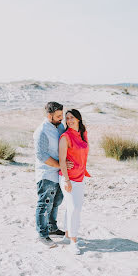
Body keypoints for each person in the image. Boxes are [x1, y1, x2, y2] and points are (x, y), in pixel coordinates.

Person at [33, 102, 73, 248]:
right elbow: (41, 155)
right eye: (58, 116)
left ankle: (52, 227)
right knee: (45, 204)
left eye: (61, 115)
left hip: (59, 174)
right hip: (46, 174)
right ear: (49, 115)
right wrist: (60, 165)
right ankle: (42, 234)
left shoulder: (59, 126)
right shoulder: (41, 131)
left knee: (57, 201)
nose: (61, 118)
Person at [58, 109, 90, 255]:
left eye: (72, 118)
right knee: (74, 208)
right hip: (68, 178)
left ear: (78, 119)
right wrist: (67, 180)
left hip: (81, 176)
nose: (69, 120)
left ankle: (66, 235)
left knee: (73, 207)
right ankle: (73, 242)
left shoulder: (83, 134)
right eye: (67, 118)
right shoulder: (65, 137)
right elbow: (62, 160)